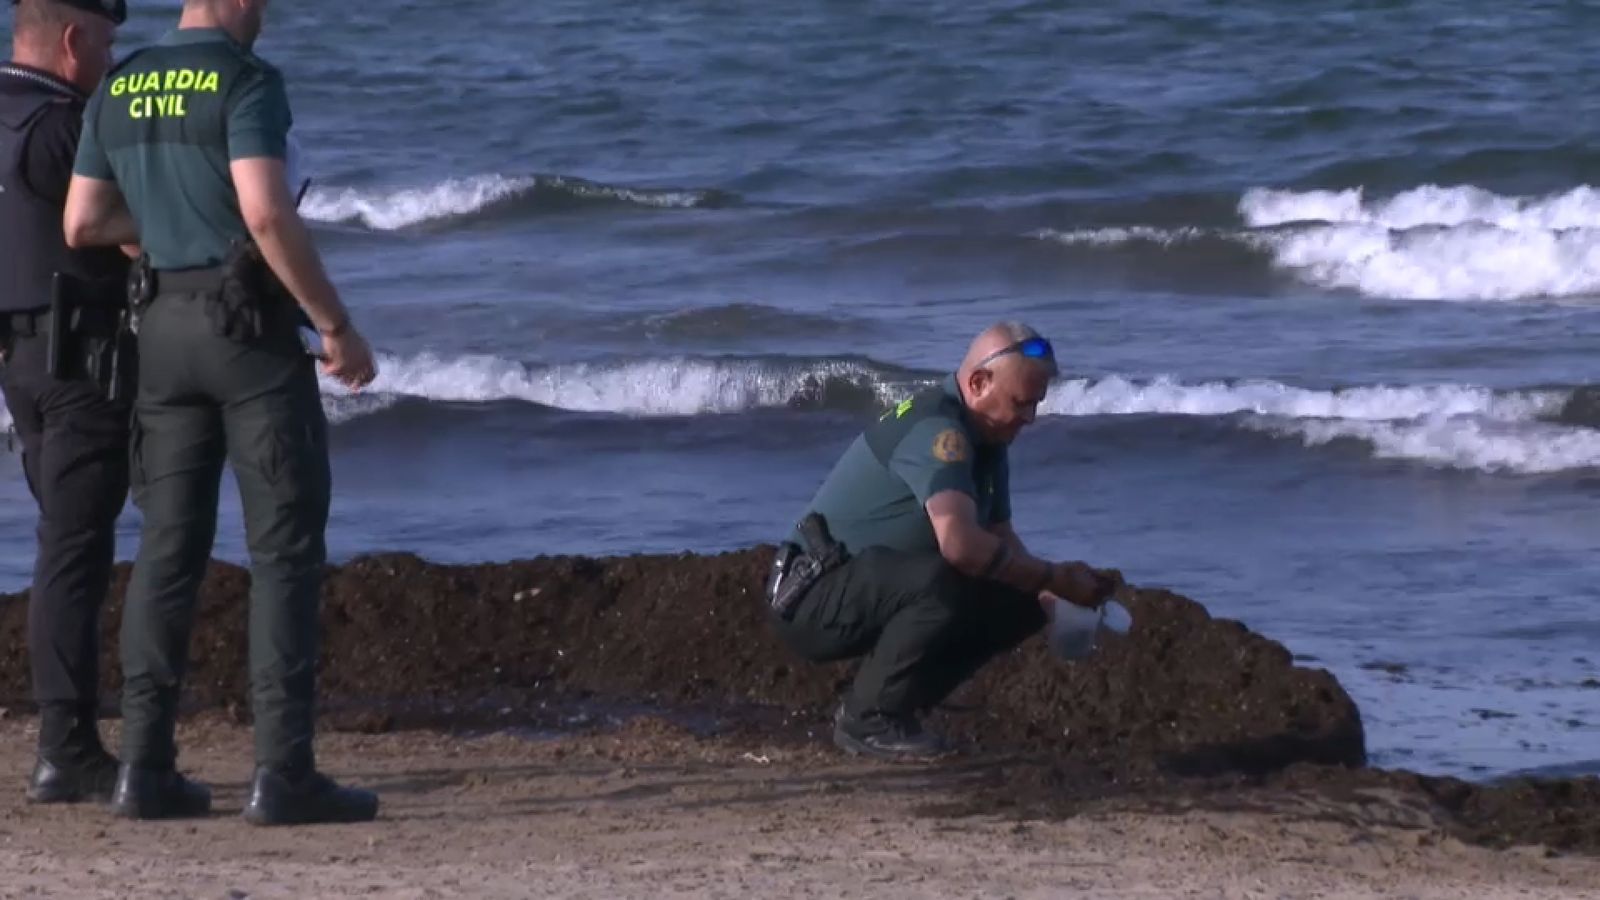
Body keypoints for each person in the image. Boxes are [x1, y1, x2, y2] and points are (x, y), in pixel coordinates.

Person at [62, 0, 380, 824]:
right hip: (247, 328)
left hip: (159, 327)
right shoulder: (245, 82)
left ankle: (143, 768)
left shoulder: (123, 85)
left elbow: (84, 221)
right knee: (283, 546)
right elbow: (267, 212)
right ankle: (283, 775)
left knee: (167, 547)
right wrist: (337, 327)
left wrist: (171, 231)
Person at [765, 322, 1121, 761]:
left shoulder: (988, 440)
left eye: (1035, 405)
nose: (1029, 418)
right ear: (978, 382)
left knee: (1018, 598)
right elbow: (959, 545)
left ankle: (895, 708)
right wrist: (1055, 577)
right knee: (945, 577)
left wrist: (1053, 598)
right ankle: (868, 719)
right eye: (1021, 403)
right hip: (809, 597)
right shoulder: (941, 431)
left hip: (867, 586)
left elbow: (1000, 539)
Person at [0, 0, 128, 805]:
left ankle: (68, 739)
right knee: (74, 551)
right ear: (75, 40)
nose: (112, 64)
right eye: (109, 46)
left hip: (20, 360)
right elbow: (122, 222)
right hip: (77, 358)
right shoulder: (63, 126)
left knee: (63, 544)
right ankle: (67, 747)